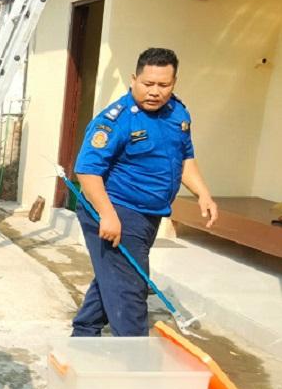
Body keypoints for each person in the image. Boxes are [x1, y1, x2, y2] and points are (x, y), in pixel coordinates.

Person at [72, 47, 218, 337]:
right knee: (132, 288)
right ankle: (135, 357)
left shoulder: (178, 113)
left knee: (115, 275)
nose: (155, 92)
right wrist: (108, 214)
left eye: (163, 85)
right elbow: (86, 171)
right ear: (134, 79)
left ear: (174, 83)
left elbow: (185, 157)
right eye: (147, 83)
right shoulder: (115, 120)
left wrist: (203, 193)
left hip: (149, 214)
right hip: (115, 208)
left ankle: (84, 334)